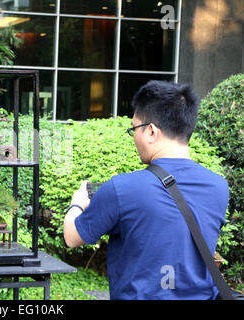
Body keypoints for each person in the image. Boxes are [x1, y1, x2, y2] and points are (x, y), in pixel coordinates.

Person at [63, 81, 229, 300]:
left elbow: (72, 237)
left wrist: (78, 202)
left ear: (151, 131)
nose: (134, 137)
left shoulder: (122, 189)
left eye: (134, 128)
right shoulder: (218, 186)